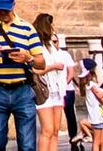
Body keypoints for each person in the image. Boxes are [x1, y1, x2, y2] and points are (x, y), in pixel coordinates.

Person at [0, 0, 44, 151]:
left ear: (14, 5)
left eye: (6, 10)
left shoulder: (28, 28)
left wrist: (27, 57)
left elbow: (41, 63)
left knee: (28, 145)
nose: (3, 14)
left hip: (23, 91)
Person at [34, 15, 71, 151]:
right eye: (51, 25)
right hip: (44, 91)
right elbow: (34, 71)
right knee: (47, 130)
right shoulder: (37, 46)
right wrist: (53, 66)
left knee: (55, 130)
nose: (53, 28)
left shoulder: (51, 45)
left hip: (57, 90)